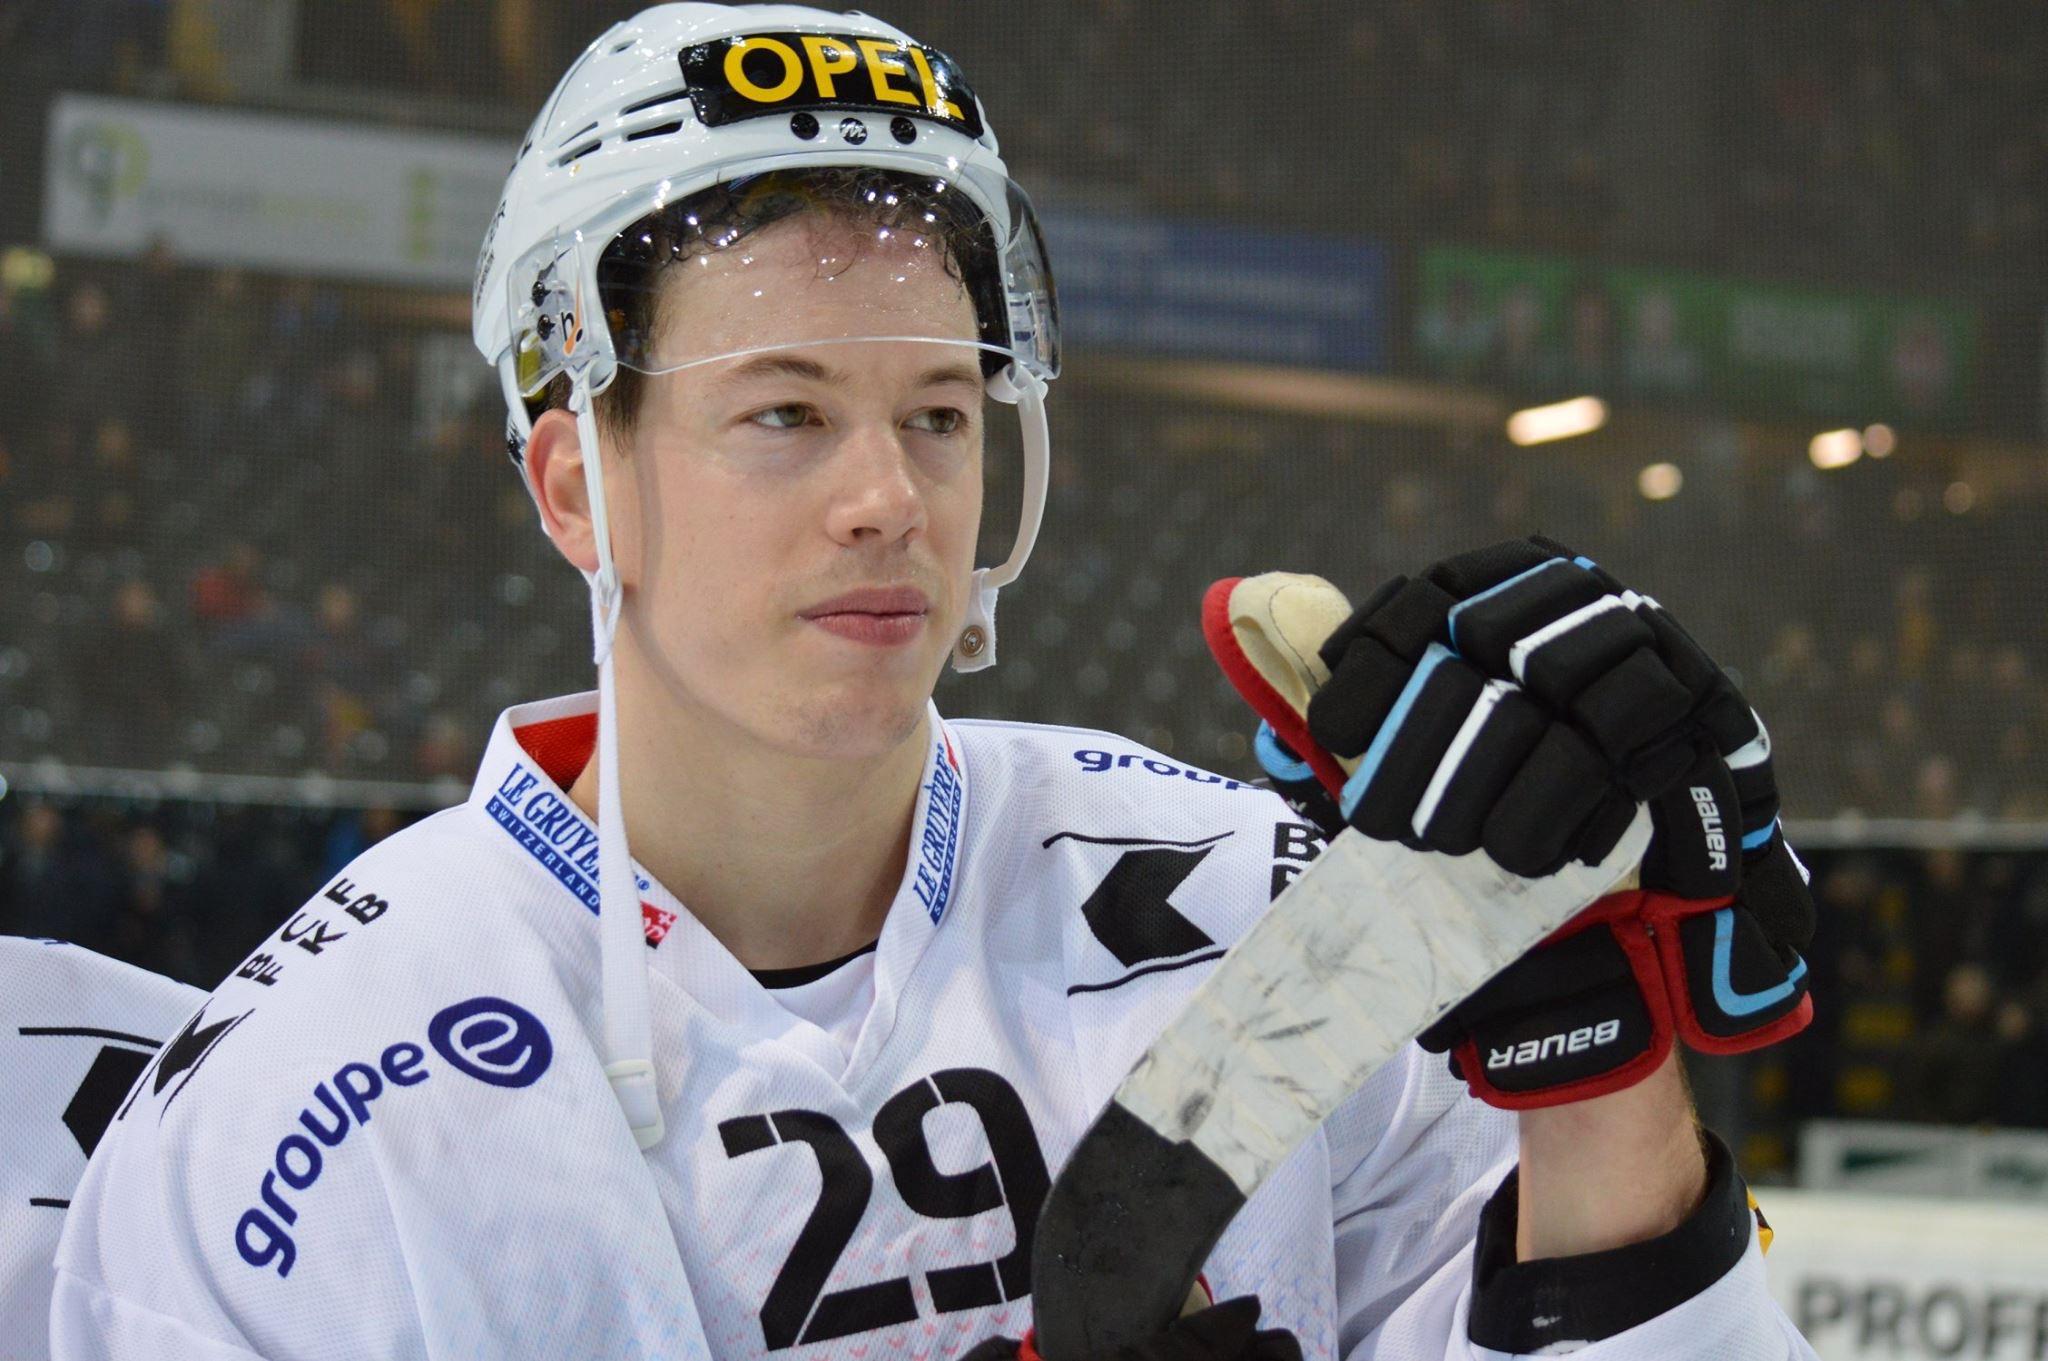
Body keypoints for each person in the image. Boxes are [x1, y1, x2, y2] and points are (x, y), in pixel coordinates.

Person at [50, 6, 1818, 1358]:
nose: (889, 497)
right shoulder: (304, 1116)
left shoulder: (1261, 917)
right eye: (785, 413)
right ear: (578, 483)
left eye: (940, 415)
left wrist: (1605, 1110)